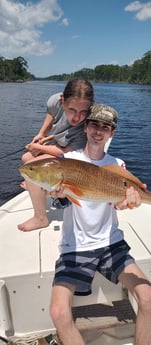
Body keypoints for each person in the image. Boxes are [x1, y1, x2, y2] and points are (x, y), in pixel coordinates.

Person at [49, 104, 151, 345]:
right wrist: (61, 195)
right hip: (75, 247)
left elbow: (118, 203)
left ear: (111, 134)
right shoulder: (67, 160)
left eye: (105, 127)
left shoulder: (118, 164)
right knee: (58, 312)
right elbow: (60, 204)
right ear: (85, 127)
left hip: (110, 244)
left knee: (148, 298)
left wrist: (130, 202)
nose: (98, 131)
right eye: (94, 124)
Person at [18, 78, 94, 231]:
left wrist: (39, 148)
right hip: (60, 144)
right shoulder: (54, 100)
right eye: (72, 110)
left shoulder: (85, 127)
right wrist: (41, 134)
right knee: (26, 157)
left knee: (33, 168)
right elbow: (50, 116)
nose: (77, 117)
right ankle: (40, 188)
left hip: (75, 155)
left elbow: (65, 153)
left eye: (83, 112)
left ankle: (40, 218)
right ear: (63, 101)